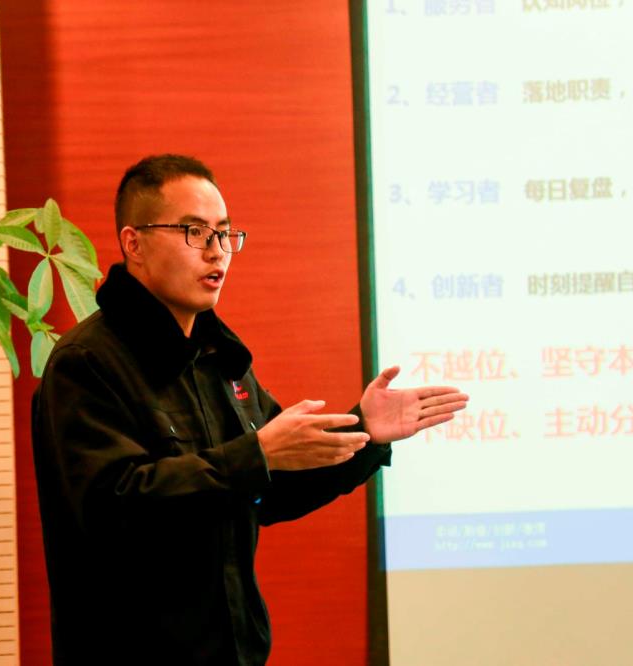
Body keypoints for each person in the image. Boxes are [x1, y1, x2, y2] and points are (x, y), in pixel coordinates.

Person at [31, 154, 468, 665]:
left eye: (224, 233)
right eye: (194, 232)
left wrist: (366, 432)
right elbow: (114, 507)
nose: (216, 252)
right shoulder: (86, 363)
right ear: (134, 244)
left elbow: (273, 488)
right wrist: (254, 454)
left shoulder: (220, 356)